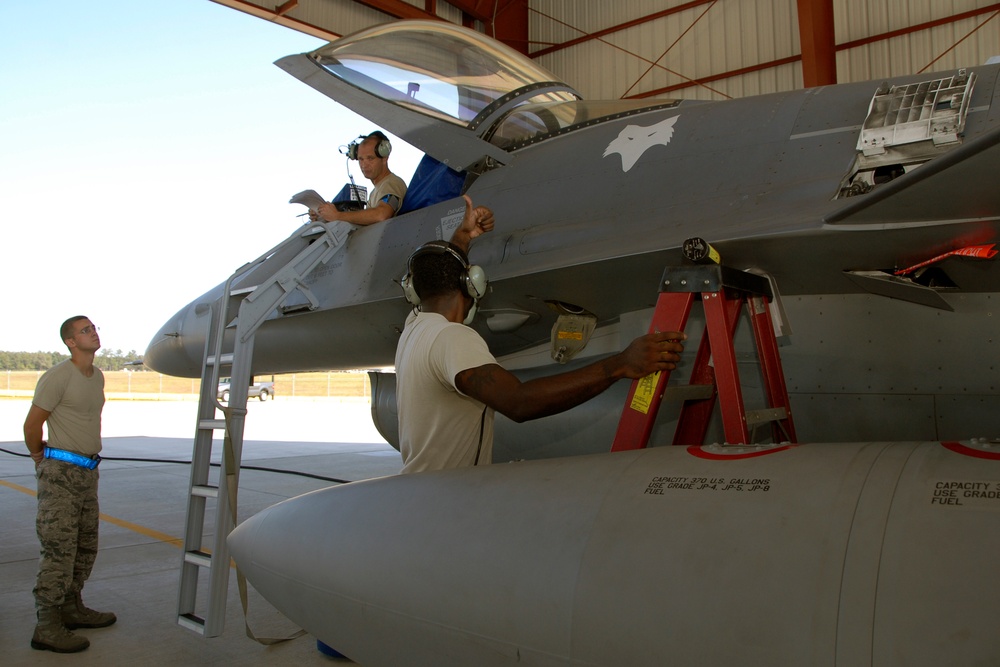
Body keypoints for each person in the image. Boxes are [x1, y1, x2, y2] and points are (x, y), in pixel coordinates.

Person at [394, 198, 686, 473]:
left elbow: (443, 273)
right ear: (472, 285)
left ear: (415, 291)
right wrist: (620, 364)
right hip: (445, 503)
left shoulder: (415, 326)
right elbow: (519, 402)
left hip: (422, 491)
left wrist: (463, 238)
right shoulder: (452, 338)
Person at [23, 316, 116, 653]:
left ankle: (71, 608)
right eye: (85, 330)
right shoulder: (58, 377)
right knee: (59, 549)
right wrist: (38, 456)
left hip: (87, 473)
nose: (93, 332)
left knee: (84, 546)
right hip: (60, 474)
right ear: (70, 342)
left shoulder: (97, 376)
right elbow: (32, 424)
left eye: (94, 328)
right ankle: (46, 626)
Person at [314, 131, 408, 225]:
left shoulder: (392, 183)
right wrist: (324, 215)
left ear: (384, 158)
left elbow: (381, 214)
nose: (364, 165)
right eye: (361, 159)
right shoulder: (376, 191)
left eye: (370, 158)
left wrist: (337, 215)